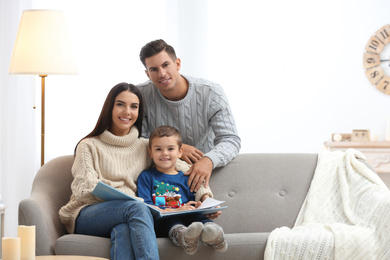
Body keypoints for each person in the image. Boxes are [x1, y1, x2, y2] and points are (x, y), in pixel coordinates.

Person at [59, 83, 188, 260]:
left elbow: (184, 169)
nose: (127, 111)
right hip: (88, 214)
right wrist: (117, 194)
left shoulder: (145, 146)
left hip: (127, 214)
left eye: (134, 107)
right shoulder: (88, 145)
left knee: (124, 229)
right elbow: (83, 189)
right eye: (120, 104)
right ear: (110, 107)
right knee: (137, 207)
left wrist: (204, 193)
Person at [137, 39, 241, 194]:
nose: (162, 74)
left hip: (200, 175)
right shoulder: (140, 95)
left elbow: (231, 139)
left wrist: (209, 160)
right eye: (154, 69)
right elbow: (137, 141)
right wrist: (176, 147)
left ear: (177, 64)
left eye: (166, 65)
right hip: (159, 175)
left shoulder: (211, 93)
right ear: (148, 74)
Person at [137, 125, 228, 255]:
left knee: (197, 217)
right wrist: (174, 210)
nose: (165, 153)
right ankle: (184, 238)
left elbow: (193, 202)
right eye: (158, 149)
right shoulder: (146, 177)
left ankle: (215, 235)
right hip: (163, 220)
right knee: (171, 221)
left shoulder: (187, 177)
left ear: (180, 152)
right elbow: (146, 207)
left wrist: (199, 206)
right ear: (150, 152)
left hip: (189, 216)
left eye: (170, 149)